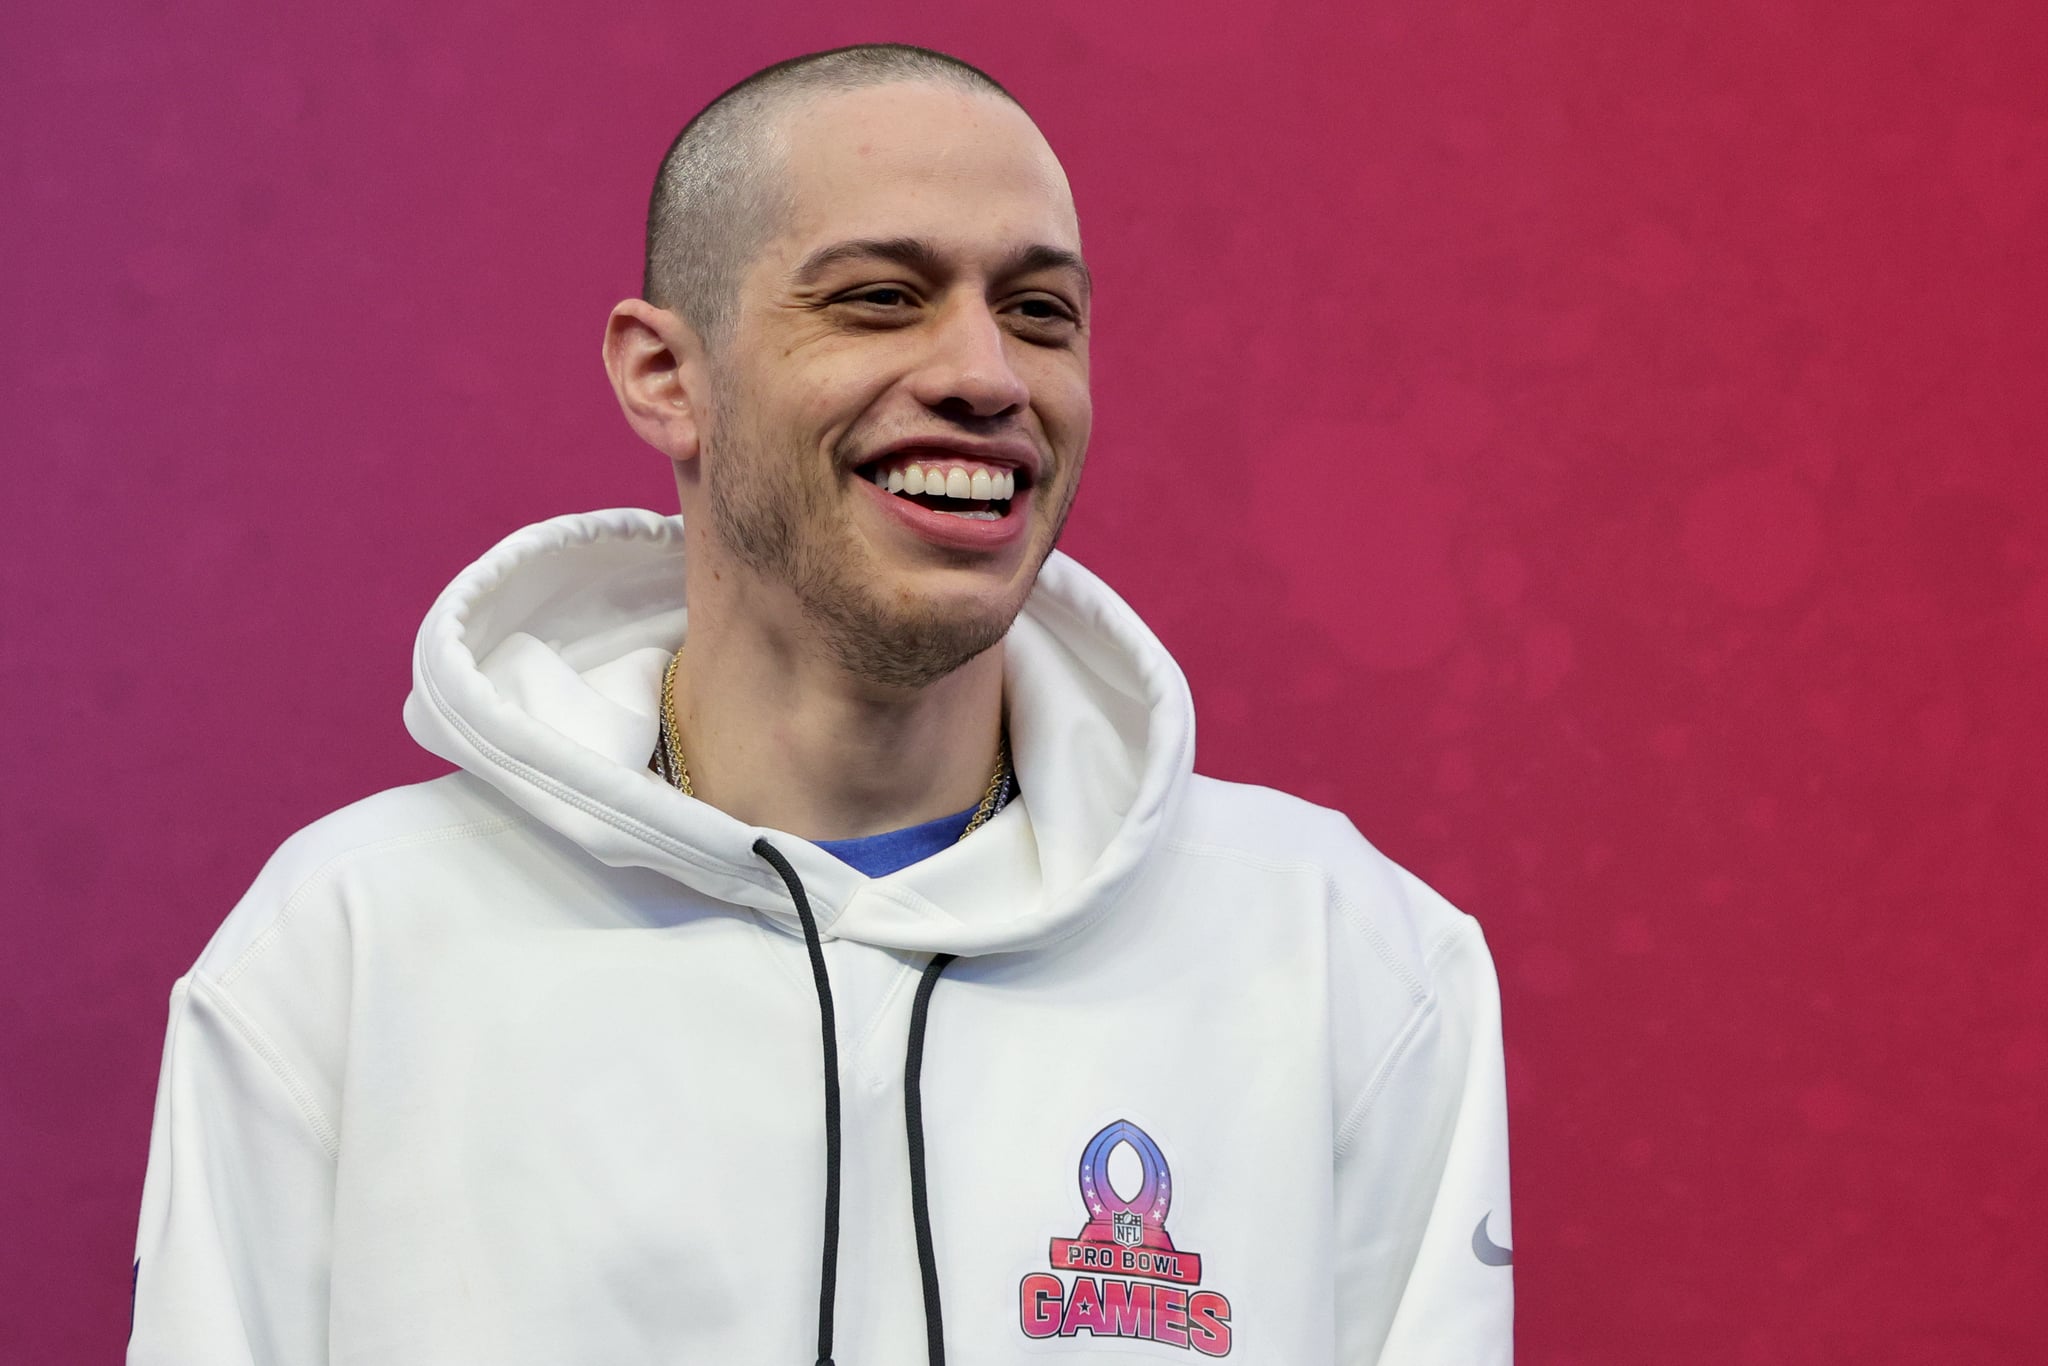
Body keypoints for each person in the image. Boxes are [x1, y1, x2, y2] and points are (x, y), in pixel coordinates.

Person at [129, 43, 1512, 1365]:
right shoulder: (349, 947)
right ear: (666, 375)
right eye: (877, 297)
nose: (985, 375)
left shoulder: (1347, 956)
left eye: (1040, 312)